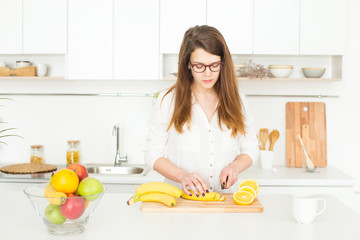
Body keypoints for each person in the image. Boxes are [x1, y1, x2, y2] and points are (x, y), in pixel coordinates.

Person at [144, 25, 258, 197]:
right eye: (199, 66)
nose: (207, 73)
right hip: (180, 200)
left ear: (223, 63)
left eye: (214, 65)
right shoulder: (167, 100)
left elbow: (250, 148)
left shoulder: (237, 100)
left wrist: (235, 167)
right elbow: (152, 153)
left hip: (224, 200)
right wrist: (182, 176)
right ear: (187, 65)